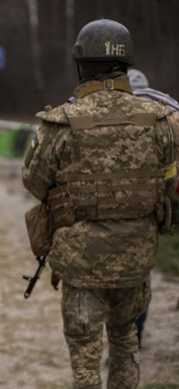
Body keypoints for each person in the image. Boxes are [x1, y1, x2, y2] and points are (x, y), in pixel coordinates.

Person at [21, 19, 179, 389]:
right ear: (126, 65)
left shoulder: (60, 123)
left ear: (80, 65)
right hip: (136, 257)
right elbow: (169, 182)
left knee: (85, 353)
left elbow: (34, 183)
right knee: (126, 342)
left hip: (81, 264)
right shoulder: (157, 120)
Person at [127, 67, 179, 349]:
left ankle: (123, 336)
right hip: (148, 213)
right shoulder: (165, 117)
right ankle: (135, 333)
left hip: (114, 213)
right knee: (140, 278)